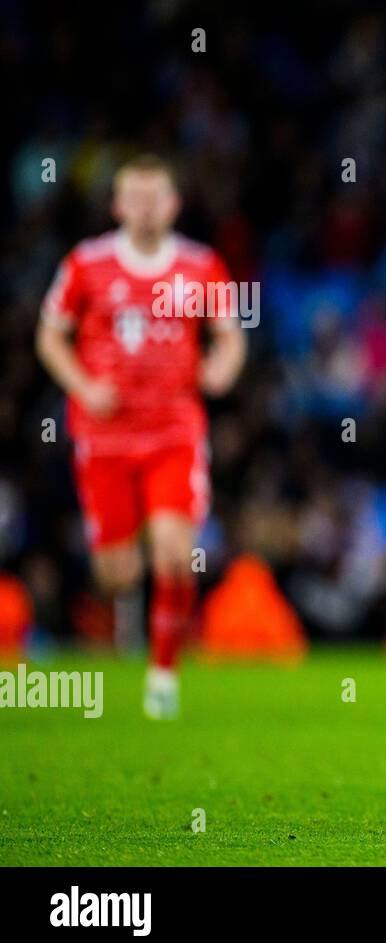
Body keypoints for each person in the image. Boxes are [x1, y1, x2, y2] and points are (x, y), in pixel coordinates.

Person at [36, 154, 247, 719]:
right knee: (118, 571)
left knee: (176, 554)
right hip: (104, 436)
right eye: (135, 196)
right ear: (117, 204)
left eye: (156, 197)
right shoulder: (87, 263)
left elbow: (230, 336)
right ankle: (123, 624)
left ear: (174, 204)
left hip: (173, 431)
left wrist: (222, 368)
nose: (146, 207)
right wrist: (83, 386)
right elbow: (50, 336)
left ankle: (162, 675)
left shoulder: (203, 267)